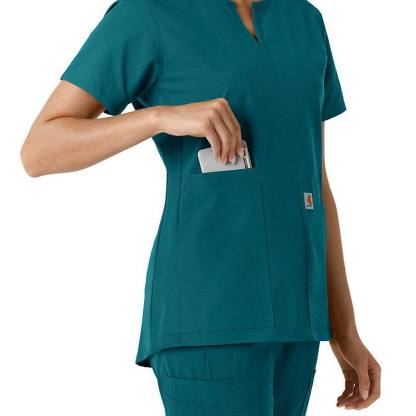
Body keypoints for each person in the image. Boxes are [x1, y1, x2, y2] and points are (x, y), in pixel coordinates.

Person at [20, 0, 381, 414]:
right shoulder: (149, 14)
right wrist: (158, 118)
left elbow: (315, 181)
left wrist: (344, 328)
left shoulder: (304, 20)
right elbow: (39, 151)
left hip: (298, 322)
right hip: (208, 314)